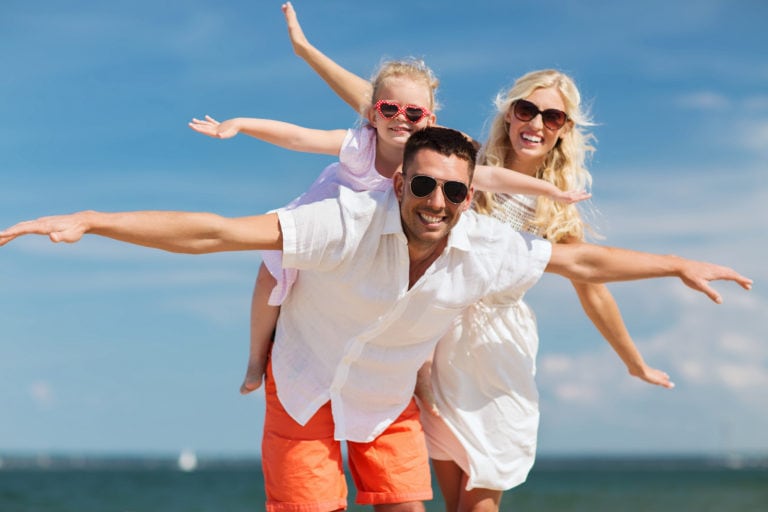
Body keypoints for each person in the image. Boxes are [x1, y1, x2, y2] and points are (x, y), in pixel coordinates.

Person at [0, 127, 753, 512]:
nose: (437, 203)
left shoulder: (485, 246)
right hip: (303, 387)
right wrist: (95, 220)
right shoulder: (345, 223)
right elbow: (214, 233)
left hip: (385, 399)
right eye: (423, 184)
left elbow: (582, 263)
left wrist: (676, 263)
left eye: (453, 192)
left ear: (468, 196)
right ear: (399, 181)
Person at [277, 4, 689, 509]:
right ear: (510, 113)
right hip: (436, 336)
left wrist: (635, 362)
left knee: (481, 497)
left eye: (552, 116)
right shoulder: (464, 165)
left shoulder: (560, 210)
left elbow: (592, 284)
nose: (535, 122)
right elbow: (388, 108)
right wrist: (307, 53)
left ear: (564, 129)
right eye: (526, 109)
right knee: (437, 492)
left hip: (500, 352)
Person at [188, 57, 589, 396]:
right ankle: (257, 359)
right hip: (333, 221)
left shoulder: (431, 155)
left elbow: (492, 178)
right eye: (390, 110)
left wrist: (549, 191)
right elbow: (297, 138)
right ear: (372, 113)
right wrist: (239, 123)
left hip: (382, 237)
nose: (401, 119)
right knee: (270, 274)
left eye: (413, 113)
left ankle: (416, 380)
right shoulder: (358, 142)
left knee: (420, 296)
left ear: (428, 119)